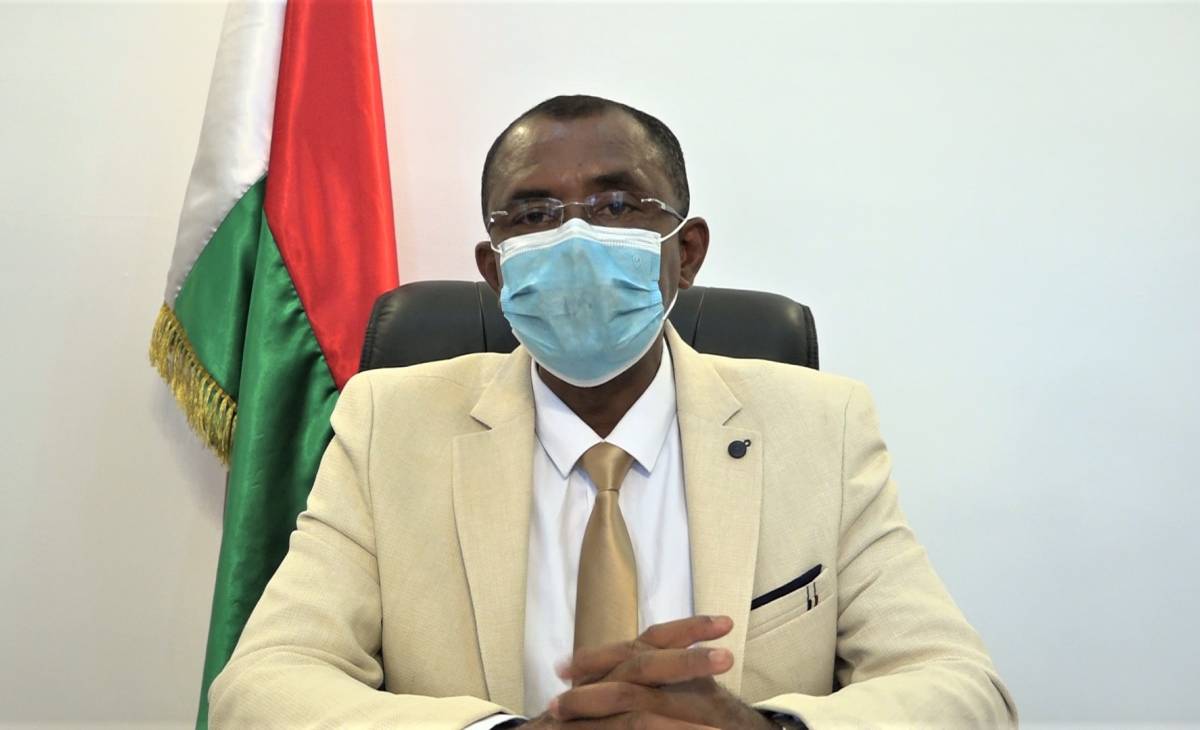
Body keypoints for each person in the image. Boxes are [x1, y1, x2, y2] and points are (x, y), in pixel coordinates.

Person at [208, 95, 1017, 729]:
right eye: (533, 214)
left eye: (618, 204)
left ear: (686, 253)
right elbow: (263, 686)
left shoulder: (821, 427)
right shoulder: (389, 424)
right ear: (494, 270)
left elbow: (960, 688)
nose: (575, 240)